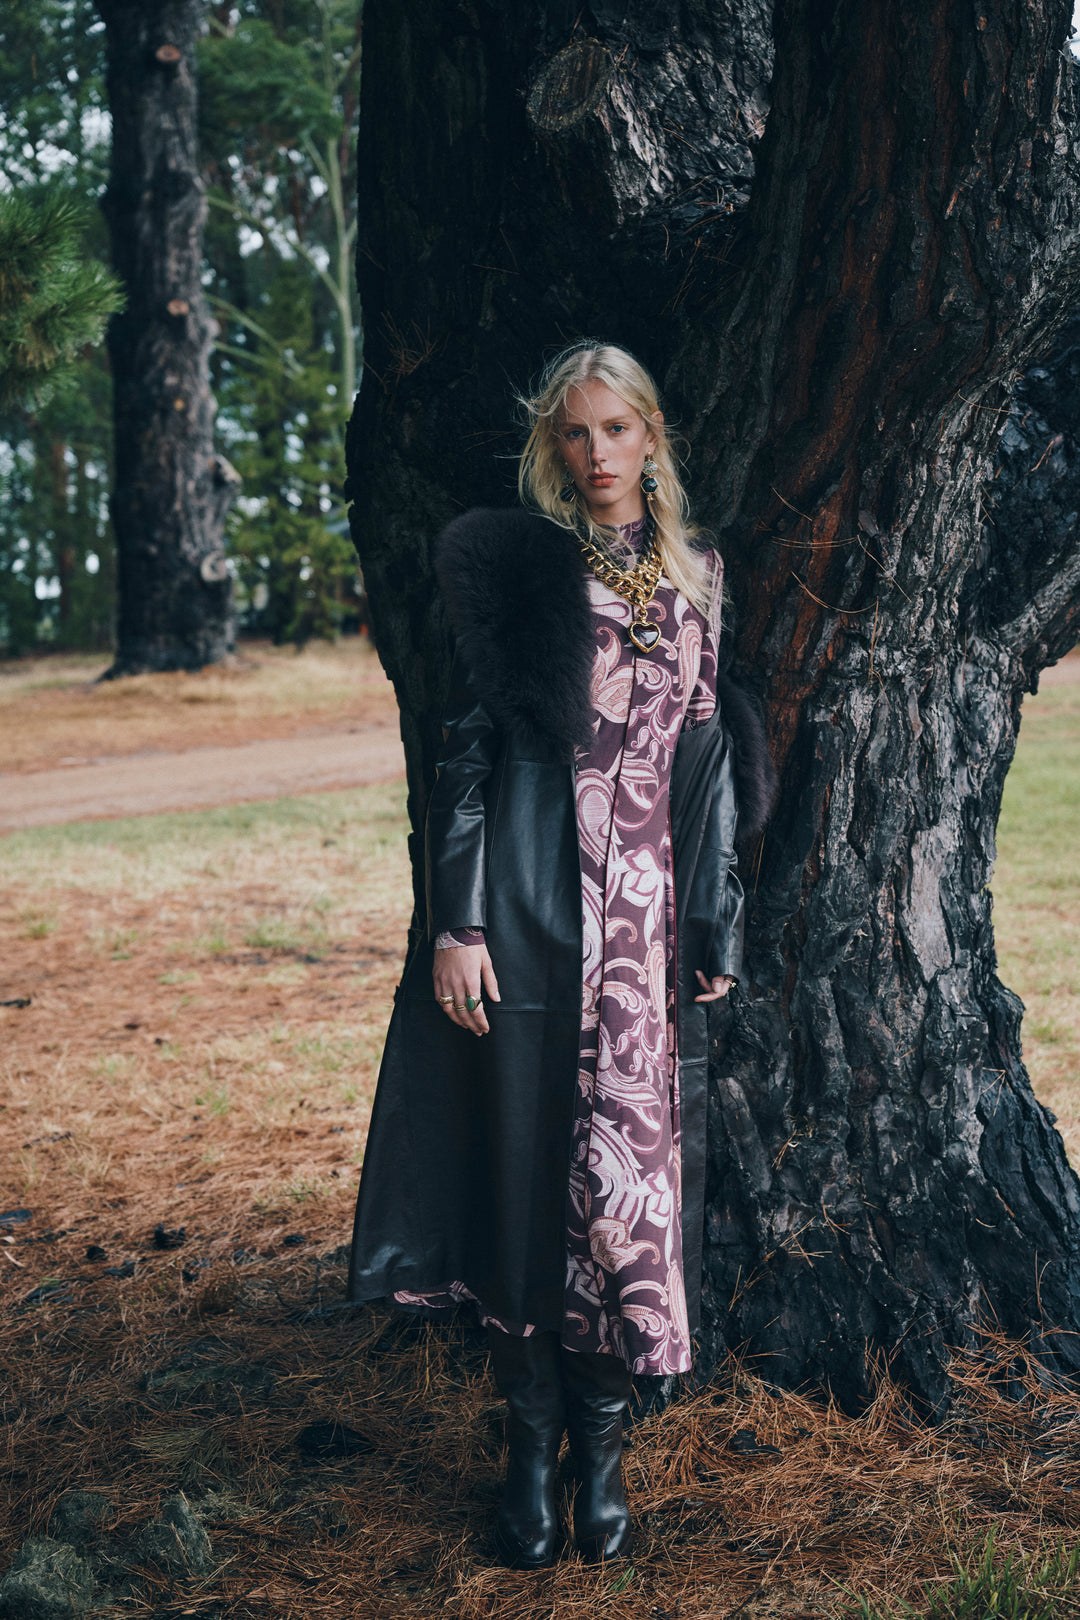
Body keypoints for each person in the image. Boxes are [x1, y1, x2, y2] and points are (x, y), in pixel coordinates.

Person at [347, 341, 775, 1569]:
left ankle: (604, 1450)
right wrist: (459, 924)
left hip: (644, 933)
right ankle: (530, 1451)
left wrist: (715, 922)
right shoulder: (526, 572)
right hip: (532, 918)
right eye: (576, 433)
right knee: (529, 1182)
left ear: (652, 438)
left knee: (621, 1205)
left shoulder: (698, 576)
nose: (598, 454)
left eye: (617, 429)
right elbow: (468, 754)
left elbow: (706, 759)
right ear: (553, 445)